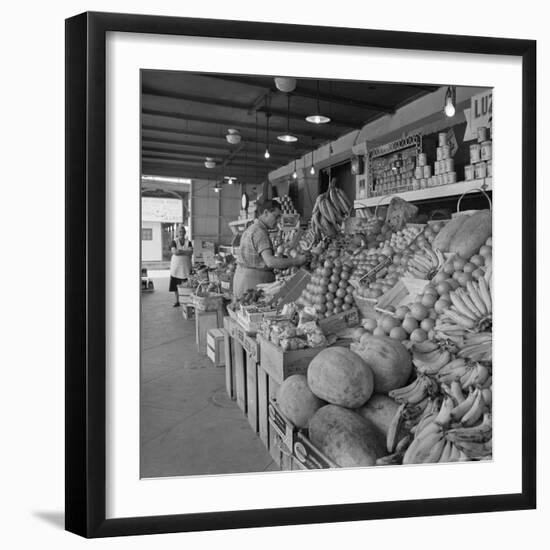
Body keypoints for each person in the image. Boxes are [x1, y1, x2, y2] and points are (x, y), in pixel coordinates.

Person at [233, 199, 307, 299]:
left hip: (241, 280)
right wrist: (297, 261)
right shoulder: (260, 233)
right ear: (266, 213)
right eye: (276, 217)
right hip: (254, 282)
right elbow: (270, 262)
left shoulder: (251, 228)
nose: (277, 221)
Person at [169, 225, 193, 307]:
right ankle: (177, 301)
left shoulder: (188, 242)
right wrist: (185, 251)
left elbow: (190, 252)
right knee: (176, 285)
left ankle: (186, 301)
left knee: (187, 285)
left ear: (185, 233)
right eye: (180, 231)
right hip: (176, 267)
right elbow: (175, 252)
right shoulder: (174, 242)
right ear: (177, 233)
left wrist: (180, 251)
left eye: (183, 231)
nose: (181, 233)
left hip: (186, 267)